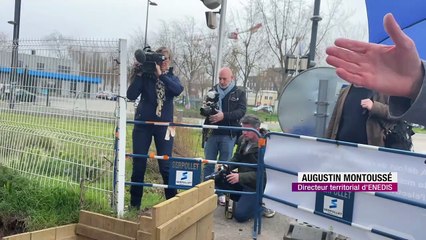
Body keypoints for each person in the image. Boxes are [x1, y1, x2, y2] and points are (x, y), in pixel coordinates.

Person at [326, 13, 426, 126]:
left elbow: (394, 117)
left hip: (372, 142)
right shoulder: (345, 92)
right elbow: (335, 119)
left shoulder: (384, 91)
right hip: (340, 143)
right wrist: (418, 84)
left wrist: (375, 107)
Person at [126, 47, 184, 210]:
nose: (162, 62)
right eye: (159, 59)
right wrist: (139, 73)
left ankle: (172, 206)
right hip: (143, 126)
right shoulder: (146, 76)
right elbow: (131, 95)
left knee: (166, 166)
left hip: (164, 127)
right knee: (139, 164)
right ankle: (134, 205)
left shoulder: (172, 78)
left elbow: (177, 90)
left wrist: (162, 76)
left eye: (165, 59)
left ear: (170, 61)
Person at [214, 115, 275, 222]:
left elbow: (265, 174)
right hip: (243, 182)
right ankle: (244, 201)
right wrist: (227, 166)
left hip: (255, 187)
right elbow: (237, 157)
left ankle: (261, 206)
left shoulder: (267, 145)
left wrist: (240, 177)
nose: (244, 132)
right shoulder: (243, 139)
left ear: (257, 129)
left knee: (240, 216)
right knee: (218, 177)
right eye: (243, 129)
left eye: (247, 130)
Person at [202, 67, 247, 205]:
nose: (221, 81)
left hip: (229, 133)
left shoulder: (239, 93)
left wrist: (223, 116)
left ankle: (221, 193)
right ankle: (206, 192)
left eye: (224, 79)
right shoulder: (212, 91)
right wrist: (207, 111)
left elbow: (242, 111)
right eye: (220, 78)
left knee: (225, 165)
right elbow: (204, 109)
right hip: (211, 132)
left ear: (231, 78)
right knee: (208, 163)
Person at [326, 84, 395, 147]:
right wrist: (326, 143)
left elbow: (396, 114)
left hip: (369, 149)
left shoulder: (382, 91)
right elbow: (334, 120)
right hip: (342, 147)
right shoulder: (345, 91)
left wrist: (374, 106)